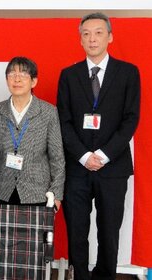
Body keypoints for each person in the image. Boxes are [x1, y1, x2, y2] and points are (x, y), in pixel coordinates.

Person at [57, 13, 140, 280]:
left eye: (98, 32)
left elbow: (130, 119)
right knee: (77, 232)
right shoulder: (68, 75)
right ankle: (79, 276)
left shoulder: (128, 73)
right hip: (77, 168)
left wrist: (103, 155)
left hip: (113, 167)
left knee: (109, 231)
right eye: (86, 33)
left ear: (110, 37)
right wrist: (83, 156)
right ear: (80, 39)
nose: (92, 38)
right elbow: (64, 121)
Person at [0, 57, 64, 209]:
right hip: (4, 191)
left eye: (23, 75)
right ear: (7, 80)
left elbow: (57, 157)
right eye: (12, 74)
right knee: (4, 233)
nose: (17, 79)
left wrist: (56, 192)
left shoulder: (48, 112)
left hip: (37, 192)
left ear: (33, 81)